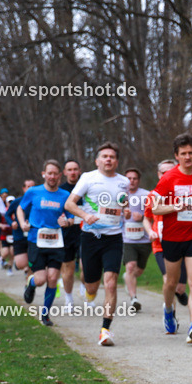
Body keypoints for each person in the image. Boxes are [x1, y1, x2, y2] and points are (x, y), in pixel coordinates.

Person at [64, 142, 129, 346]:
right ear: (97, 160)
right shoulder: (88, 178)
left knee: (110, 282)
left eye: (112, 156)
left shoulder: (123, 181)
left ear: (116, 161)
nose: (108, 159)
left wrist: (125, 211)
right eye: (104, 156)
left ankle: (105, 330)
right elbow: (69, 204)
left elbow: (121, 205)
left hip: (113, 237)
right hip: (90, 237)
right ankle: (89, 290)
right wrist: (85, 215)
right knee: (92, 283)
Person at [150, 133, 192, 342]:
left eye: (191, 153)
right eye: (183, 153)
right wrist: (173, 207)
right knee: (172, 282)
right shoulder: (169, 179)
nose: (187, 157)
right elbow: (155, 206)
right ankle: (168, 309)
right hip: (172, 237)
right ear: (176, 156)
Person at [18, 161, 71, 326]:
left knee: (53, 278)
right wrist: (22, 223)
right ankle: (31, 283)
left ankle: (45, 314)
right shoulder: (34, 192)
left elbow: (71, 216)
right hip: (36, 240)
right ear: (44, 174)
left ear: (60, 175)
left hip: (56, 241)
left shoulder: (64, 195)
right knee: (41, 279)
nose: (52, 176)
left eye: (55, 173)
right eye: (49, 173)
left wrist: (67, 222)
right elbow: (20, 208)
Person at [144, 160, 190, 306]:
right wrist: (150, 231)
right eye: (164, 172)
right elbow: (146, 218)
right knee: (169, 281)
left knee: (179, 286)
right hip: (160, 245)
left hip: (180, 242)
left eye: (171, 171)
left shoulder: (183, 193)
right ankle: (170, 314)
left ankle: (180, 293)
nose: (168, 175)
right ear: (159, 175)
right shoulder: (153, 195)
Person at [121, 168, 151, 312]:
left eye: (134, 178)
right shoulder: (120, 196)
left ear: (138, 180)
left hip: (144, 239)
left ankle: (128, 278)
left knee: (138, 271)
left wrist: (143, 217)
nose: (131, 181)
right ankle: (134, 299)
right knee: (131, 266)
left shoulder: (146, 195)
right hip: (127, 239)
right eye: (128, 178)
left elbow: (154, 215)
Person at [59, 160, 83, 307]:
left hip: (84, 232)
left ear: (79, 171)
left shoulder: (85, 188)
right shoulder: (61, 191)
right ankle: (69, 298)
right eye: (70, 169)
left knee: (86, 267)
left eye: (75, 169)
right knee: (68, 269)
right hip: (66, 234)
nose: (73, 172)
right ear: (65, 172)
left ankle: (85, 289)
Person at [6, 178, 35, 275]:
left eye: (33, 187)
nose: (31, 189)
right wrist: (11, 223)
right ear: (24, 188)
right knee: (21, 264)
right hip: (19, 234)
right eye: (28, 187)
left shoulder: (38, 201)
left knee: (32, 262)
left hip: (33, 235)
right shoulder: (17, 202)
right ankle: (20, 264)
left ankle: (29, 286)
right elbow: (7, 215)